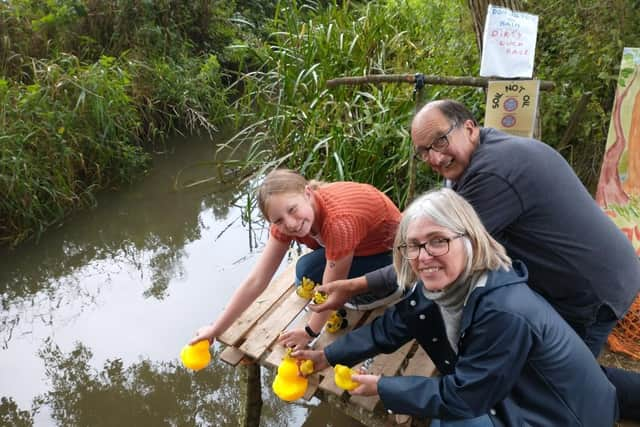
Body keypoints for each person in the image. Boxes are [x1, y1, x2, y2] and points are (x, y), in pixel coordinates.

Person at [311, 99, 640, 419]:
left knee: (559, 378)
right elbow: (413, 296)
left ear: (469, 127)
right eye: (423, 151)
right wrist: (333, 342)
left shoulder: (492, 175)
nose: (435, 157)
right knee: (561, 367)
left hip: (591, 286)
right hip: (576, 274)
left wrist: (387, 385)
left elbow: (435, 260)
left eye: (440, 141)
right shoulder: (469, 164)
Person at [295, 188, 618, 427]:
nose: (424, 256)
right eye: (414, 246)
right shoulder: (440, 285)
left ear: (471, 240)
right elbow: (393, 325)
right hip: (515, 387)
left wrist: (384, 386)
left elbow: (464, 397)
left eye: (438, 240)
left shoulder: (504, 311)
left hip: (560, 414)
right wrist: (327, 356)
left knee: (451, 422)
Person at [190, 169, 403, 350]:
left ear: (308, 193)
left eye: (292, 210)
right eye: (279, 220)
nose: (290, 224)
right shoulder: (290, 218)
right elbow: (257, 280)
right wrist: (215, 329)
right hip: (361, 249)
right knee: (304, 271)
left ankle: (388, 292)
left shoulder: (339, 223)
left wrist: (309, 333)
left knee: (322, 283)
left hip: (394, 259)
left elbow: (330, 289)